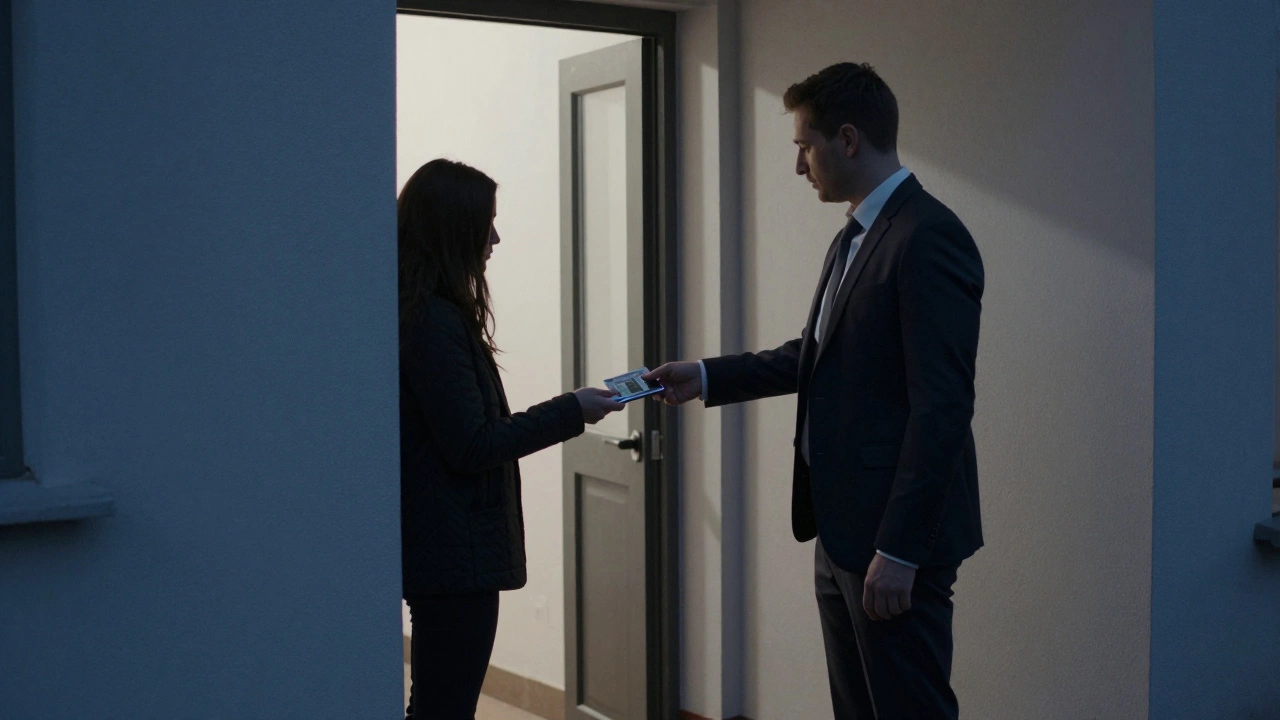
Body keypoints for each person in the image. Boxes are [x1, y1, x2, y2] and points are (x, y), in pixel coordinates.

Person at [645, 63, 983, 719]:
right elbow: (816, 357)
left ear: (848, 139)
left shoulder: (927, 238)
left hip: (890, 541)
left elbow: (942, 407)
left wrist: (900, 549)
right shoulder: (854, 237)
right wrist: (707, 374)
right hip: (840, 531)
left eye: (804, 145)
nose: (800, 165)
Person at [398, 158, 623, 720]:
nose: (495, 237)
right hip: (454, 556)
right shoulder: (433, 321)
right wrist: (572, 409)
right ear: (453, 228)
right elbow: (472, 444)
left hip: (448, 551)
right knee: (442, 709)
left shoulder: (427, 311)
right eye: (486, 223)